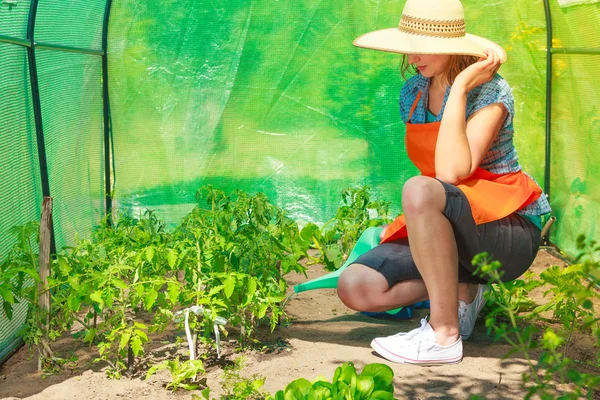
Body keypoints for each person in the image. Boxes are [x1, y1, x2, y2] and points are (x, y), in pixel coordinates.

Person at [337, 0, 551, 365]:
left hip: (506, 228)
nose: (412, 55)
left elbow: (452, 172)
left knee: (419, 188)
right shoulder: (413, 92)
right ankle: (463, 291)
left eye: (422, 46)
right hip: (453, 222)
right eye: (408, 45)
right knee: (356, 285)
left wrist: (463, 84)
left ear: (452, 45)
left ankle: (443, 334)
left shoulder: (490, 92)